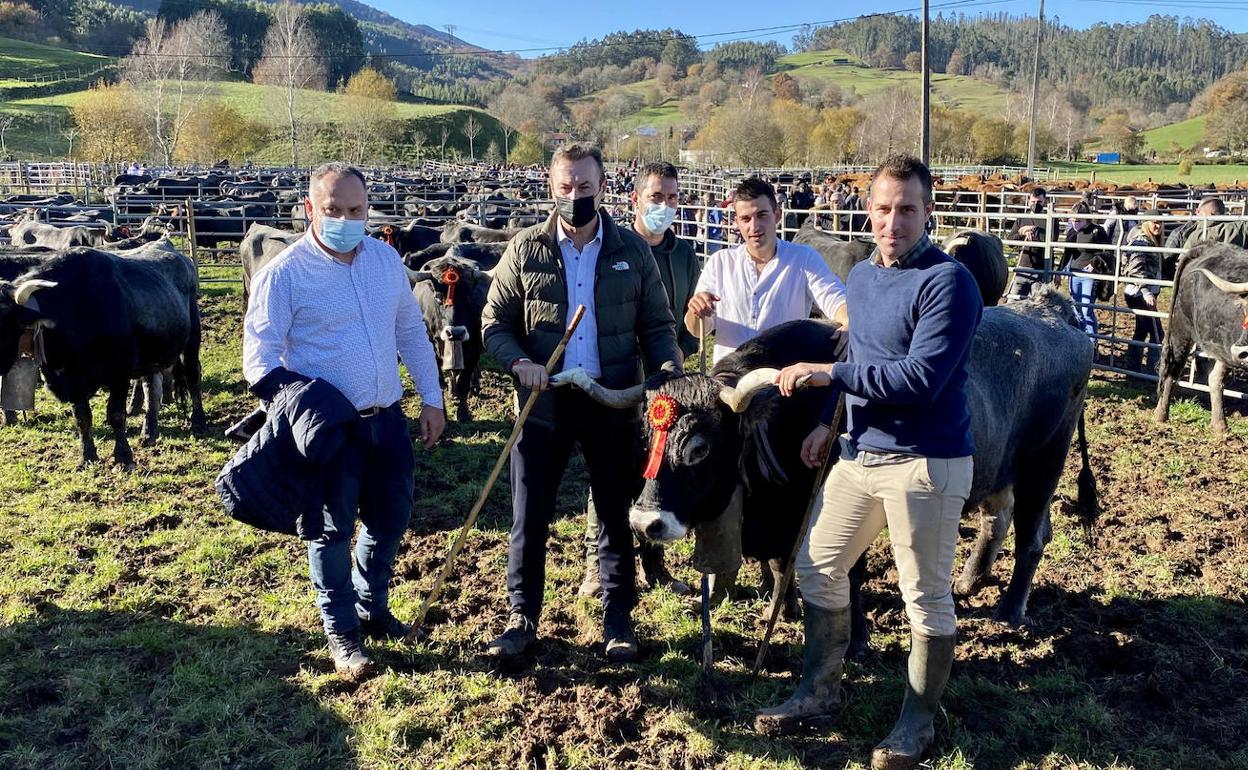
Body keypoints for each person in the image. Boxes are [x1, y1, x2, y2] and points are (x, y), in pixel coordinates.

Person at [757, 155, 982, 770]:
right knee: (817, 564)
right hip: (859, 453)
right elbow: (861, 353)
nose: (893, 222)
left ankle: (916, 724)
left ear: (929, 210)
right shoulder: (859, 277)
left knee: (925, 595)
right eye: (882, 208)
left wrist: (828, 373)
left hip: (926, 462)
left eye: (907, 209)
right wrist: (832, 423)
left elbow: (922, 378)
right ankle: (819, 689)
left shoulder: (948, 283)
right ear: (867, 209)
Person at [243, 162, 447, 679]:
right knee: (329, 531)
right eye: (332, 210)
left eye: (355, 210)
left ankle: (371, 605)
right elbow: (259, 359)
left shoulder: (384, 260)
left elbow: (409, 332)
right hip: (328, 431)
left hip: (387, 418)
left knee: (390, 519)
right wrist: (299, 404)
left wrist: (432, 397)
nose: (344, 218)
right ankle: (343, 635)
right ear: (311, 208)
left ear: (367, 207)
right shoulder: (284, 274)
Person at [481, 144, 680, 664]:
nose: (575, 196)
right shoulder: (526, 249)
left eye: (585, 187)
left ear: (603, 187)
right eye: (566, 187)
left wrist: (665, 370)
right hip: (543, 404)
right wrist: (518, 363)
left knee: (614, 514)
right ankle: (521, 618)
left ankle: (618, 617)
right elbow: (494, 323)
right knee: (531, 515)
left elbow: (657, 325)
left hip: (611, 400)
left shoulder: (631, 252)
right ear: (551, 186)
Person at [578, 161, 701, 600]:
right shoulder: (613, 248)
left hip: (664, 388)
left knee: (659, 475)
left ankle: (655, 564)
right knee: (609, 474)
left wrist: (686, 341)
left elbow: (684, 326)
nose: (664, 205)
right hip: (618, 381)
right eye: (656, 197)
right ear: (635, 199)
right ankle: (596, 565)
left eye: (671, 197)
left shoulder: (685, 255)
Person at [685, 177, 848, 365]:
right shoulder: (719, 263)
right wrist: (696, 312)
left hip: (783, 383)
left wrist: (849, 322)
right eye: (746, 219)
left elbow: (835, 299)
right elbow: (698, 329)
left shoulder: (804, 258)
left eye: (762, 215)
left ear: (777, 215)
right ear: (736, 222)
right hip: (730, 384)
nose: (754, 227)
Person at [1121, 211, 1167, 372]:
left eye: (1160, 223)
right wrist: (1147, 291)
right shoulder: (1142, 241)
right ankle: (1154, 371)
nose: (1158, 226)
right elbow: (1135, 269)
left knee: (1141, 331)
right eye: (1154, 222)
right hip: (1139, 293)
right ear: (1146, 223)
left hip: (1140, 292)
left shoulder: (1149, 241)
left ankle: (1132, 368)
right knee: (1157, 333)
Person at [1059, 201, 1111, 338]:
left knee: (1087, 309)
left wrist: (1095, 262)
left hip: (1090, 275)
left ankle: (1092, 342)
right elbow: (1067, 254)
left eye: (1078, 221)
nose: (1075, 224)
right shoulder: (1072, 232)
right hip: (1074, 273)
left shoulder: (1097, 231)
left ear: (1086, 219)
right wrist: (1059, 271)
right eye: (1073, 220)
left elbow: (1108, 251)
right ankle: (1082, 339)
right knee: (1076, 309)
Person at [1006, 187, 1059, 300]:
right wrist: (1021, 232)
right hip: (1022, 267)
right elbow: (1010, 241)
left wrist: (1035, 230)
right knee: (1013, 302)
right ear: (1028, 201)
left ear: (1044, 201)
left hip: (1041, 269)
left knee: (1038, 305)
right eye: (1033, 202)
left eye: (1039, 202)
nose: (1035, 204)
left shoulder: (1051, 218)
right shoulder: (1022, 218)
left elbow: (1053, 239)